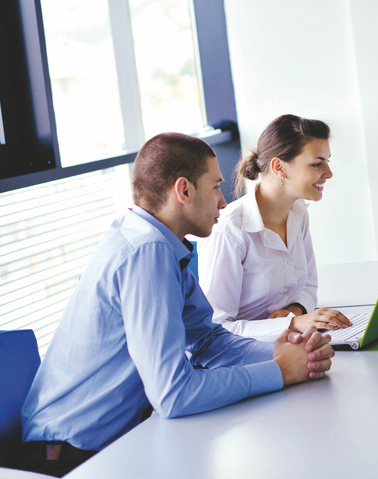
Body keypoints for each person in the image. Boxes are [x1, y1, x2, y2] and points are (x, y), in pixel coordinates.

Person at [19, 133, 334, 477]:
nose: (223, 203)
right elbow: (173, 395)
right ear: (183, 191)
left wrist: (287, 350)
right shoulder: (146, 253)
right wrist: (279, 371)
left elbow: (206, 341)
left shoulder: (162, 244)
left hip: (112, 443)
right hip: (68, 460)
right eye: (215, 187)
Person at [198, 115, 350, 340]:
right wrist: (293, 323)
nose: (328, 173)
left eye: (328, 161)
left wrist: (296, 310)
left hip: (289, 343)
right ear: (279, 167)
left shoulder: (298, 212)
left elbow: (308, 285)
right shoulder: (231, 229)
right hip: (242, 356)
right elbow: (217, 329)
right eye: (318, 163)